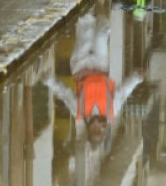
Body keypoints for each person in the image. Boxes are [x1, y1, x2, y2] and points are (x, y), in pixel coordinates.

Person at [45, 10, 145, 147]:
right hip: (100, 67)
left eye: (95, 132)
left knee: (86, 33)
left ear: (89, 130)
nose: (99, 129)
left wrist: (49, 80)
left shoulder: (79, 111)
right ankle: (102, 15)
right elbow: (123, 91)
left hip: (80, 68)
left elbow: (65, 93)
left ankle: (87, 6)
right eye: (101, 132)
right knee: (100, 36)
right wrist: (136, 77)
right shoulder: (111, 110)